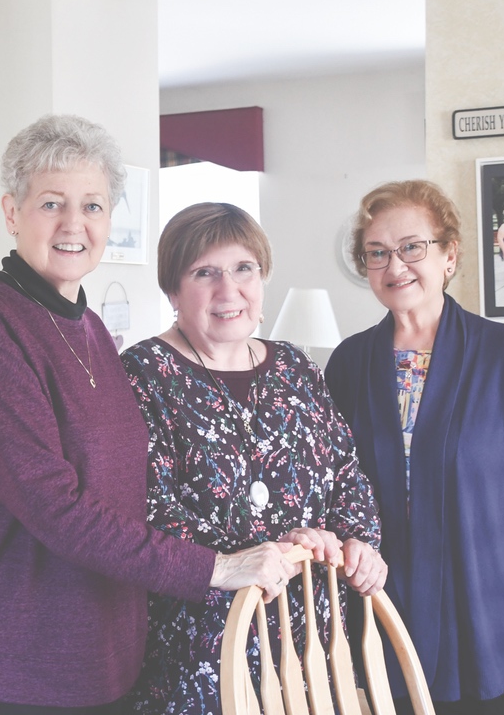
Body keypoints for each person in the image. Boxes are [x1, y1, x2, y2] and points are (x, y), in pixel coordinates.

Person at [0, 115, 309, 715]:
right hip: (3, 659)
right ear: (12, 213)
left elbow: (130, 488)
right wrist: (216, 568)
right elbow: (56, 508)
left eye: (92, 205)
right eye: (51, 204)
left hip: (99, 653)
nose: (74, 225)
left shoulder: (88, 326)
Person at [325, 180, 504, 715]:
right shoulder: (348, 365)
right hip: (382, 632)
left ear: (449, 255)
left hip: (492, 635)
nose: (395, 266)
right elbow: (328, 492)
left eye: (412, 247)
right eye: (377, 253)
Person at [121, 202, 386, 713]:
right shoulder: (141, 375)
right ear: (173, 290)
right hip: (206, 649)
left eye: (245, 269)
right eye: (205, 273)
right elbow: (143, 512)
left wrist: (354, 542)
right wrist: (262, 552)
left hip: (310, 648)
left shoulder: (294, 365)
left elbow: (347, 477)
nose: (229, 290)